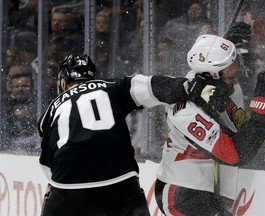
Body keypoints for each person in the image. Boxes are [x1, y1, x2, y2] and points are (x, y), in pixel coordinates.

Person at [37, 53, 228, 216]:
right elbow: (155, 87)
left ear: (63, 83)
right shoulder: (112, 87)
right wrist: (195, 87)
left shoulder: (53, 109)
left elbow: (47, 164)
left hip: (69, 185)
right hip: (121, 180)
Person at [154, 34, 265, 215]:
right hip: (183, 191)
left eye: (236, 73)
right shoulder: (185, 109)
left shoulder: (217, 85)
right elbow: (235, 154)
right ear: (209, 76)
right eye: (230, 78)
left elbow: (240, 129)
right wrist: (260, 115)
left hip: (213, 187)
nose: (235, 82)